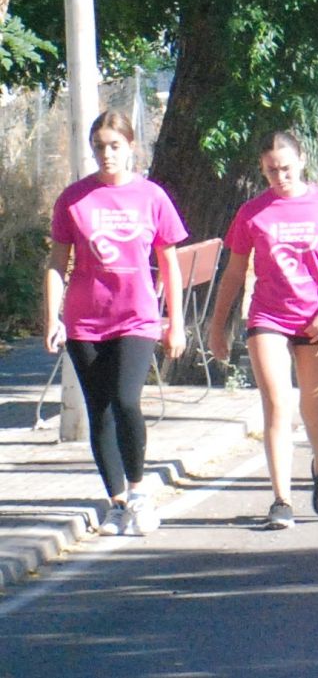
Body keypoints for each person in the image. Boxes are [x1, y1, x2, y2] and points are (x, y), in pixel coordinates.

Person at [43, 111, 188, 537]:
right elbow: (56, 262)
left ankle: (140, 491)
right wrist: (52, 317)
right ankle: (116, 502)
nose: (107, 155)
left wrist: (174, 322)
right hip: (86, 321)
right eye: (100, 147)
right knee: (100, 411)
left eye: (115, 146)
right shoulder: (74, 199)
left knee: (126, 401)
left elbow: (169, 264)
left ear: (131, 148)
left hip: (137, 317)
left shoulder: (152, 197)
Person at [210, 131, 318, 530]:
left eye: (287, 168)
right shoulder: (253, 212)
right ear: (263, 169)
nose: (280, 176)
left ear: (302, 161)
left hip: (317, 316)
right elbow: (236, 271)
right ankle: (281, 499)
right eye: (272, 170)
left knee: (315, 409)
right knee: (277, 404)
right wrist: (217, 324)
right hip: (268, 317)